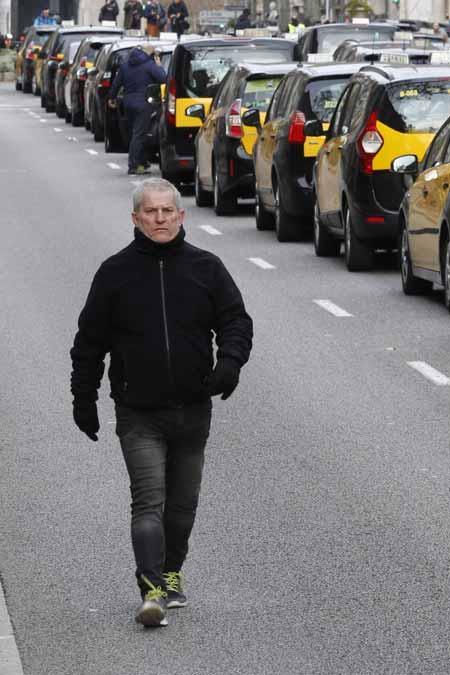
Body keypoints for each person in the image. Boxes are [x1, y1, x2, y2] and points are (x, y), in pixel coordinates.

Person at [70, 178, 253, 629]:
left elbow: (236, 321)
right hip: (139, 412)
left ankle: (171, 572)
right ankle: (151, 589)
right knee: (148, 500)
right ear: (135, 219)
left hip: (193, 411)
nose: (159, 218)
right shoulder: (115, 273)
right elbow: (89, 342)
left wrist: (229, 364)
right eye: (149, 212)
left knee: (182, 506)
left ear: (180, 216)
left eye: (167, 211)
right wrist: (84, 397)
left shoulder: (206, 268)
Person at [112, 44, 165, 174]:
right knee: (139, 134)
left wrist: (111, 98)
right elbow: (163, 78)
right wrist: (159, 66)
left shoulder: (125, 65)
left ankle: (142, 162)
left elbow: (116, 84)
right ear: (149, 54)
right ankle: (134, 165)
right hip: (143, 103)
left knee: (134, 134)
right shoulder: (149, 65)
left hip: (128, 103)